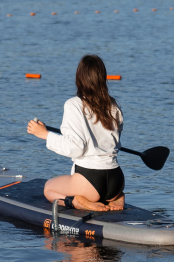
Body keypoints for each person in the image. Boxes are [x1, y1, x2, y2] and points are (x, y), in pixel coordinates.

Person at [26, 54, 125, 212]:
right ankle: (117, 197)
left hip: (90, 182)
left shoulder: (73, 105)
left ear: (80, 79)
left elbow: (76, 148)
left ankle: (77, 201)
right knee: (102, 185)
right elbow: (115, 142)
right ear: (102, 78)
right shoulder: (113, 105)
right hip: (116, 180)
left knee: (48, 189)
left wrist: (45, 134)